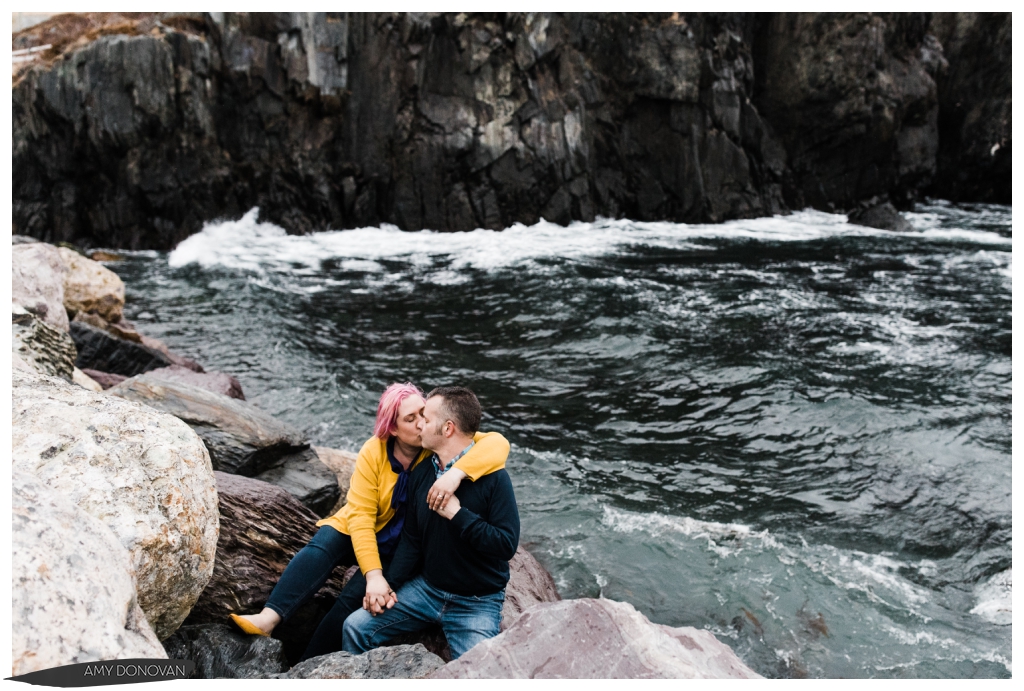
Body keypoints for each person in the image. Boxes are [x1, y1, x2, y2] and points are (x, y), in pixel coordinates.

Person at [229, 382, 509, 661]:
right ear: (393, 429)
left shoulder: (435, 451)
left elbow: (496, 442)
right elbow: (361, 518)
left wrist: (455, 474)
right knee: (327, 541)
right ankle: (269, 617)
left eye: (423, 414)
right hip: (373, 533)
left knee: (351, 601)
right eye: (411, 419)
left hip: (408, 550)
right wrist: (374, 575)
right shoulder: (378, 452)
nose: (421, 423)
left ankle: (305, 666)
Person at [342, 386, 520, 660]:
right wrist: (387, 586)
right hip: (426, 591)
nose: (419, 424)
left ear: (447, 429)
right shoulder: (424, 471)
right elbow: (412, 541)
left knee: (481, 676)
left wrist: (458, 515)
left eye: (426, 417)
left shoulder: (495, 479)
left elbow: (505, 545)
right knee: (355, 627)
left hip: (476, 603)